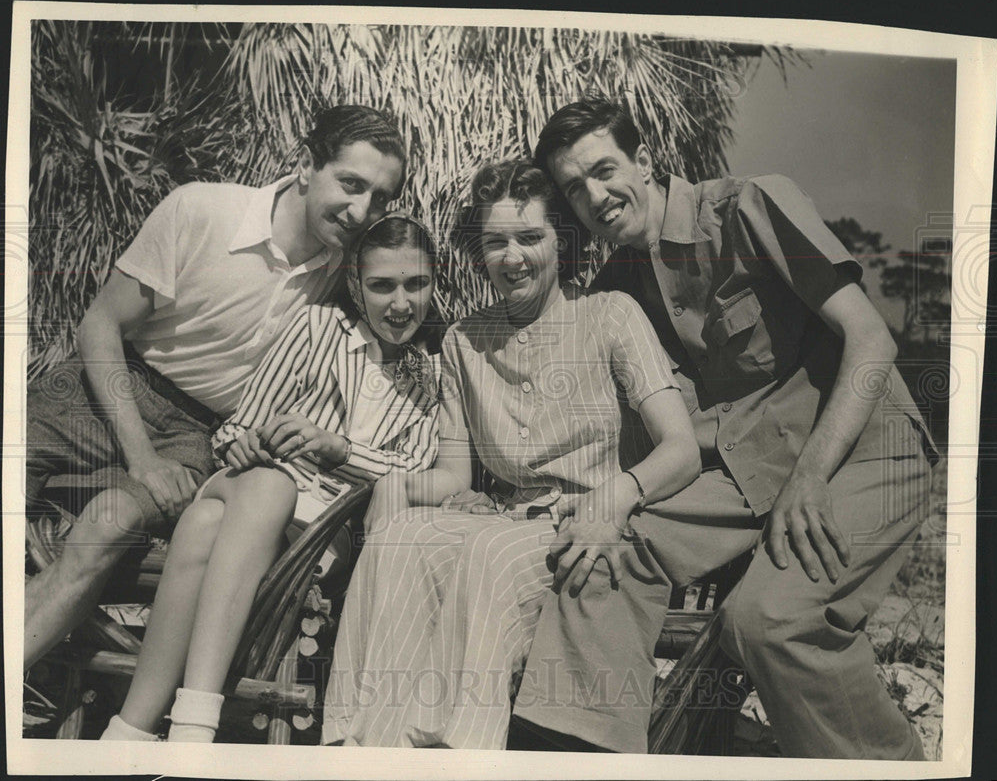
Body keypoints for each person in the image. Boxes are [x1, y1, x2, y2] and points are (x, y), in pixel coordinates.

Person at [516, 97, 939, 757]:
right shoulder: (616, 293)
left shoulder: (749, 207)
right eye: (575, 188)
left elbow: (870, 339)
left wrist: (810, 477)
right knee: (597, 563)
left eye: (604, 170)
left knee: (770, 622)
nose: (595, 195)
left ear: (646, 161)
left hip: (860, 449)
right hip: (745, 471)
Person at [321, 159, 700, 749]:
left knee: (490, 552)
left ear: (562, 241)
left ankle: (457, 751)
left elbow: (681, 450)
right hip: (509, 521)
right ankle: (362, 746)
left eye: (530, 238)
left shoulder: (610, 316)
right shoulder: (464, 342)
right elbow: (452, 474)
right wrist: (389, 483)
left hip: (591, 527)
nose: (512, 256)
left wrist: (617, 497)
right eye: (495, 242)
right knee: (403, 540)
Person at [24, 105, 407, 670]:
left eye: (380, 198)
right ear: (305, 165)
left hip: (194, 433)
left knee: (109, 526)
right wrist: (141, 457)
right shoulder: (201, 210)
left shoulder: (344, 272)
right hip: (103, 387)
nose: (362, 211)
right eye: (350, 184)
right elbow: (99, 324)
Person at [100, 213, 441, 742]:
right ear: (355, 284)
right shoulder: (316, 329)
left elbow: (416, 469)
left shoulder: (431, 378)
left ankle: (131, 729)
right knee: (268, 483)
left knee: (204, 522)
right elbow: (234, 428)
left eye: (416, 284)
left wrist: (338, 449)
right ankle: (195, 724)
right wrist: (249, 443)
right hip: (254, 488)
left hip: (323, 532)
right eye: (382, 285)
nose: (401, 303)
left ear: (434, 283)